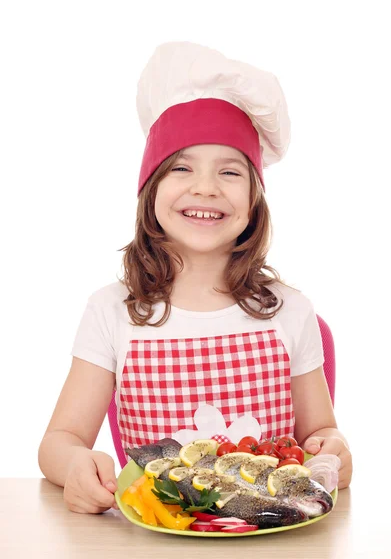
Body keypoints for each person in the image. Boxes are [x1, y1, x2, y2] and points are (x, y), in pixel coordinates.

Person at [38, 41, 353, 514]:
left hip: (271, 540)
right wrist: (76, 465)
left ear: (253, 202)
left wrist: (335, 452)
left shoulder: (290, 311)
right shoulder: (112, 311)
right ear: (151, 190)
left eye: (230, 172)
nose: (205, 187)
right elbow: (59, 441)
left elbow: (321, 435)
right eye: (181, 167)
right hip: (156, 538)